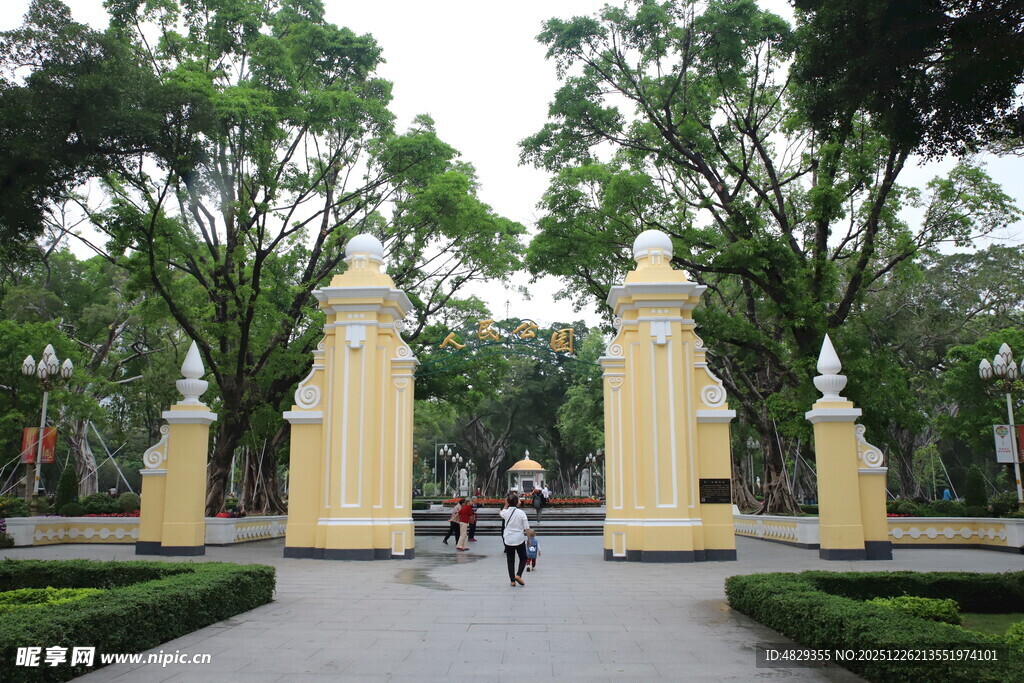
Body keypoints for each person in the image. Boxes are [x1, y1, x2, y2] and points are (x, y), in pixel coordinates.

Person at [500, 494, 530, 586]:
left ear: (508, 502)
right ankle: (518, 575)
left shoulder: (505, 513)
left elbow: (502, 512)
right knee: (523, 557)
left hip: (508, 539)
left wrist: (506, 503)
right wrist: (529, 539)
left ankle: (512, 581)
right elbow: (526, 528)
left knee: (510, 560)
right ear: (517, 502)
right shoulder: (521, 513)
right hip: (519, 539)